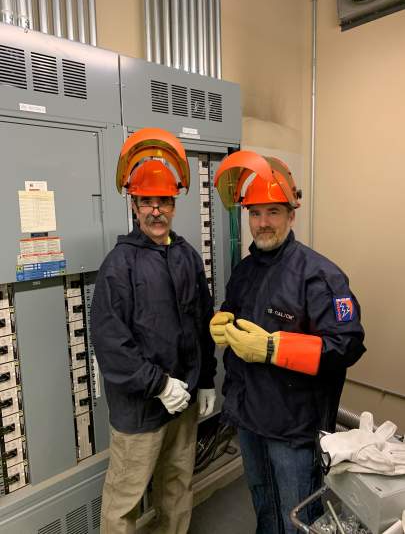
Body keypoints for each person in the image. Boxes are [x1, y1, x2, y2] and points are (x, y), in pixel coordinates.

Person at [210, 150, 366, 534]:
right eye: (255, 213)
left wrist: (273, 348)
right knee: (262, 503)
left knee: (297, 515)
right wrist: (222, 319)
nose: (263, 223)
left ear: (291, 214)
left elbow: (347, 345)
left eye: (273, 212)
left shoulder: (321, 276)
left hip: (294, 427)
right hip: (249, 417)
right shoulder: (246, 270)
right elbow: (234, 310)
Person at [91, 127, 217, 534]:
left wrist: (206, 381)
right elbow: (111, 343)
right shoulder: (119, 264)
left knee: (178, 488)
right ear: (135, 203)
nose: (157, 210)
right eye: (148, 201)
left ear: (174, 204)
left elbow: (201, 323)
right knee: (125, 502)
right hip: (141, 407)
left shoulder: (187, 256)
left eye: (164, 201)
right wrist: (160, 385)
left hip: (184, 403)